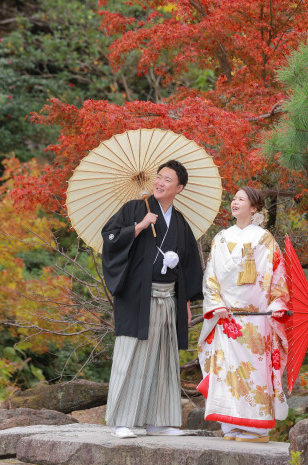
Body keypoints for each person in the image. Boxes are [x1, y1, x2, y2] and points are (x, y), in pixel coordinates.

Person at [101, 160, 204, 439]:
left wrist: (184, 300)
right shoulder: (135, 209)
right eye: (158, 177)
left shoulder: (180, 222)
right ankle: (122, 420)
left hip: (168, 296)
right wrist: (138, 227)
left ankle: (157, 421)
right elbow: (109, 238)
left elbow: (189, 263)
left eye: (167, 179)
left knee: (162, 357)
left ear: (179, 188)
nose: (159, 182)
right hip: (138, 296)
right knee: (131, 353)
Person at [196, 186, 290, 443]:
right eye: (234, 198)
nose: (234, 202)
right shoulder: (221, 238)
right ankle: (231, 425)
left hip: (256, 319)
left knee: (254, 371)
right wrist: (216, 304)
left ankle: (258, 428)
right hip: (226, 316)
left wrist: (277, 302)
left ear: (255, 208)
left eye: (241, 199)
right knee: (226, 371)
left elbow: (277, 277)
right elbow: (211, 276)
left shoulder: (264, 239)